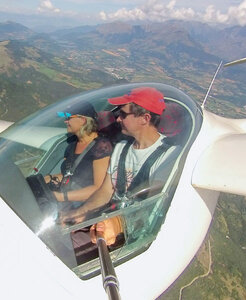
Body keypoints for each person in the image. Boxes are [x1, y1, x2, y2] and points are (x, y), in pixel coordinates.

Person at [61, 87, 180, 245]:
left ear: (144, 118)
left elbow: (152, 208)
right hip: (106, 222)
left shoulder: (169, 157)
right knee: (61, 240)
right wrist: (80, 213)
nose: (117, 119)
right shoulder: (121, 147)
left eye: (123, 114)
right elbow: (105, 191)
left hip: (134, 235)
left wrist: (117, 224)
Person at [45, 101, 113, 210]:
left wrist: (61, 197)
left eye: (68, 117)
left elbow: (99, 188)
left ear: (82, 120)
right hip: (69, 203)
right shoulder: (72, 145)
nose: (65, 121)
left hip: (86, 208)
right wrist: (46, 180)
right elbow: (68, 174)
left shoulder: (101, 147)